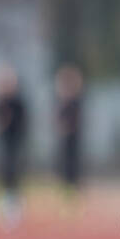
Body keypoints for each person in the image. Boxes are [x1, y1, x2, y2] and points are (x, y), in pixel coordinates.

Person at [0, 62, 27, 231]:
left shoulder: (18, 102)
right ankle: (6, 211)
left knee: (14, 177)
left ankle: (15, 212)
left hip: (15, 145)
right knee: (3, 177)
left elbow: (23, 123)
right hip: (2, 146)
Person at [55, 64, 85, 213]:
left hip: (73, 142)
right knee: (64, 170)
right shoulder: (61, 102)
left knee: (73, 170)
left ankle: (75, 199)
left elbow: (76, 121)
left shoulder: (75, 102)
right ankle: (66, 199)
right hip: (64, 143)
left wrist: (68, 127)